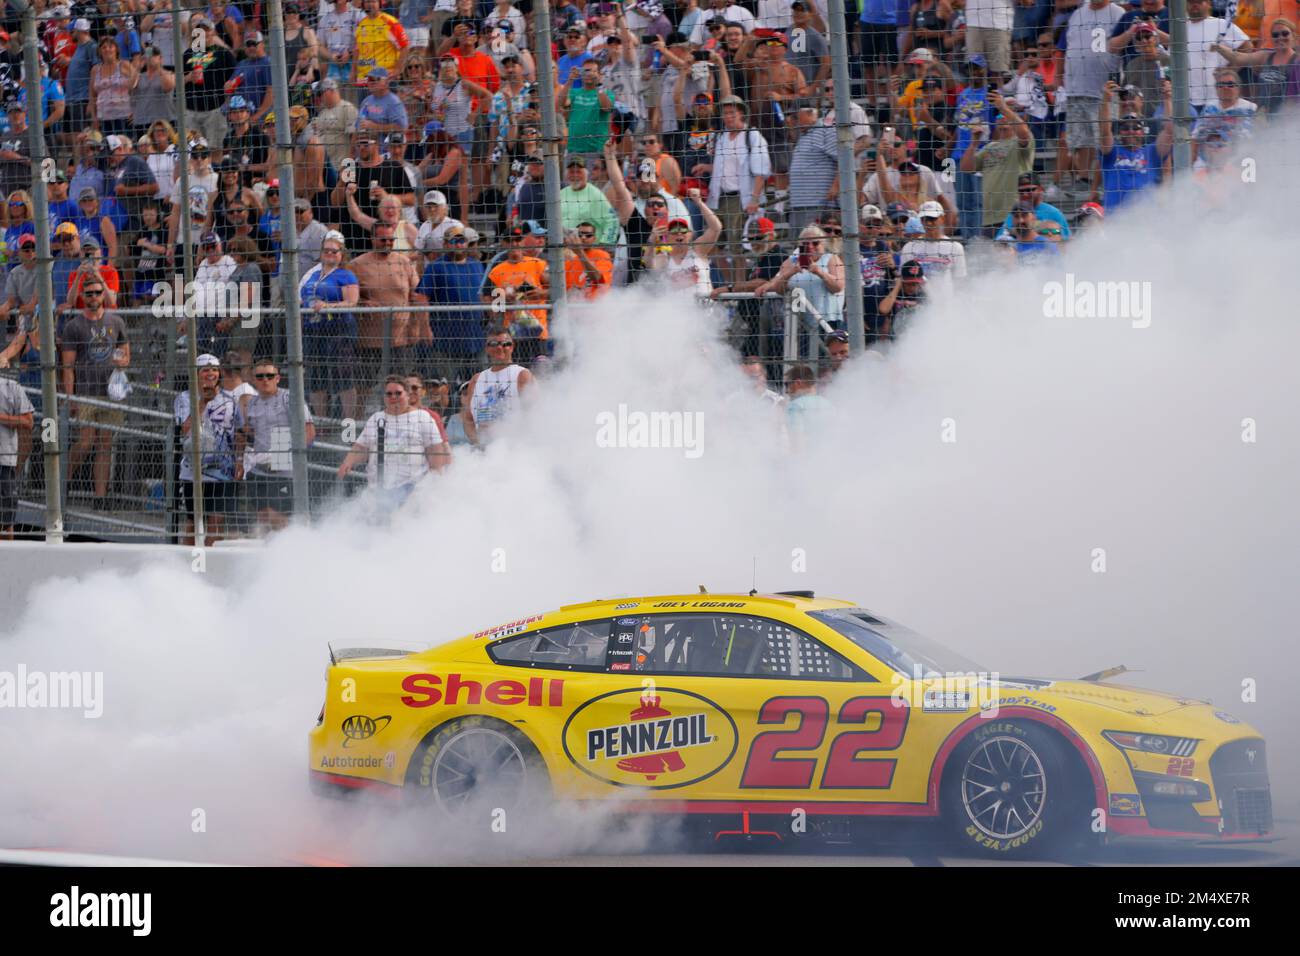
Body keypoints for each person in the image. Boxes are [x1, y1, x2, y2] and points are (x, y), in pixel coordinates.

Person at [60, 277, 129, 507]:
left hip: (110, 391)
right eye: (88, 293)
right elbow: (67, 367)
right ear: (82, 296)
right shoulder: (74, 326)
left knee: (105, 445)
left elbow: (125, 354)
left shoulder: (116, 321)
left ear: (103, 295)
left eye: (98, 292)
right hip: (86, 391)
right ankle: (63, 480)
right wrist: (71, 398)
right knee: (86, 441)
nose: (93, 297)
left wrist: (121, 361)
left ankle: (100, 497)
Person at [338, 375, 448, 506]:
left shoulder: (423, 418)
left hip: (412, 491)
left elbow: (435, 453)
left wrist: (435, 484)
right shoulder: (376, 418)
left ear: (407, 395)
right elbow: (361, 447)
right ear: (384, 397)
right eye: (389, 394)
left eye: (398, 393)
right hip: (378, 490)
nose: (393, 397)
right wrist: (348, 462)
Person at [236, 359, 315, 532]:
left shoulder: (289, 398)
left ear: (277, 378)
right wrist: (241, 460)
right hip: (258, 467)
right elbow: (247, 436)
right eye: (260, 376)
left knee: (280, 517)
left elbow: (308, 430)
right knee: (263, 517)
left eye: (270, 376)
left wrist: (287, 456)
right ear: (254, 379)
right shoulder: (251, 403)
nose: (265, 380)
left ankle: (287, 548)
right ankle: (266, 552)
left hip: (284, 468)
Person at [349, 222, 421, 400]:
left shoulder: (403, 262)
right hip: (368, 341)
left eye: (391, 239)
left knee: (400, 387)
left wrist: (416, 327)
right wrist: (362, 302)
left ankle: (402, 421)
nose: (388, 243)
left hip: (400, 339)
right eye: (383, 239)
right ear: (372, 239)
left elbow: (416, 295)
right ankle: (359, 423)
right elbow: (348, 297)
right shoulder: (356, 265)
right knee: (362, 388)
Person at [174, 353, 240, 544]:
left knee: (216, 519)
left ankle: (211, 563)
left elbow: (238, 433)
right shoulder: (185, 398)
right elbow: (185, 429)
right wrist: (202, 401)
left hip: (222, 470)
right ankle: (189, 563)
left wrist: (239, 460)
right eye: (205, 370)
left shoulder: (229, 399)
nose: (210, 374)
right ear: (196, 374)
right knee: (194, 520)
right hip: (192, 472)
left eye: (214, 370)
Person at [705, 95, 771, 286]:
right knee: (712, 244)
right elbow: (722, 167)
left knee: (737, 247)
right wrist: (706, 168)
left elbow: (761, 171)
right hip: (718, 197)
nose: (728, 116)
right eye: (725, 113)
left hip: (740, 198)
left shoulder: (752, 136)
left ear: (741, 113)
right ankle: (730, 282)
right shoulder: (720, 137)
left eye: (732, 112)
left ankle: (740, 286)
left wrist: (754, 199)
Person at [299, 229, 360, 419]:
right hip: (313, 328)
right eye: (326, 250)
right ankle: (321, 421)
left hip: (338, 329)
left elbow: (351, 302)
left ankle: (348, 422)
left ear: (342, 255)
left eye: (335, 251)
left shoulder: (346, 275)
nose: (330, 254)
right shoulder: (312, 275)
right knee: (316, 377)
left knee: (343, 377)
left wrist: (327, 306)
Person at [415, 225, 485, 384]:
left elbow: (487, 294)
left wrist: (495, 316)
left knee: (478, 386)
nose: (459, 244)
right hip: (445, 340)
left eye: (462, 240)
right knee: (446, 387)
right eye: (454, 241)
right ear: (446, 244)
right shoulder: (436, 267)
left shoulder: (477, 265)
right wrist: (425, 328)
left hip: (475, 337)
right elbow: (422, 298)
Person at [960, 89, 1034, 237]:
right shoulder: (990, 146)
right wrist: (974, 144)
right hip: (988, 218)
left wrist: (1003, 108)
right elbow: (966, 168)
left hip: (1014, 215)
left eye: (1007, 113)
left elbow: (1024, 132)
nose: (1003, 117)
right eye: (1000, 114)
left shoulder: (1021, 140)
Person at [1098, 80, 1173, 211]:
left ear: (1143, 132)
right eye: (1125, 127)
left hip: (1145, 220)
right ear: (1120, 132)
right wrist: (1106, 102)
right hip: (1116, 221)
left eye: (1136, 127)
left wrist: (1167, 99)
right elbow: (1104, 131)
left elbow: (1169, 131)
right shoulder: (1111, 152)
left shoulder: (1151, 152)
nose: (1131, 131)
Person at [462, 332, 534, 447]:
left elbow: (533, 416)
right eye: (494, 343)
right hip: (484, 448)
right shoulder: (477, 379)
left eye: (505, 343)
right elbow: (468, 418)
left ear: (512, 347)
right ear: (486, 348)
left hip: (513, 448)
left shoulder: (522, 375)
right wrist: (477, 443)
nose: (500, 347)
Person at [648, 188, 724, 296]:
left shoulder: (698, 251)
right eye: (674, 231)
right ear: (667, 236)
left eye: (683, 230)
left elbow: (716, 228)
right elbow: (650, 265)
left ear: (690, 234)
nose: (679, 234)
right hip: (678, 311)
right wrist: (652, 240)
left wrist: (699, 203)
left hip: (703, 310)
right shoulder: (665, 258)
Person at [900, 200, 968, 288]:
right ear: (920, 221)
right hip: (918, 300)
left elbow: (960, 282)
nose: (928, 223)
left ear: (942, 219)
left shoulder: (955, 247)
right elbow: (904, 281)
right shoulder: (909, 248)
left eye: (932, 219)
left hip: (946, 300)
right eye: (925, 219)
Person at [0, 369, 32, 538]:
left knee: (7, 523)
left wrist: (2, 418)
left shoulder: (11, 387)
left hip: (5, 461)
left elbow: (28, 422)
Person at [90, 34, 135, 137]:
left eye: (110, 46)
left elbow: (137, 86)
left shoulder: (124, 65)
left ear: (116, 49)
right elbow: (92, 96)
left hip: (123, 116)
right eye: (104, 47)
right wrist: (94, 117)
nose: (107, 50)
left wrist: (136, 110)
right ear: (100, 51)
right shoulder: (95, 70)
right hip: (104, 119)